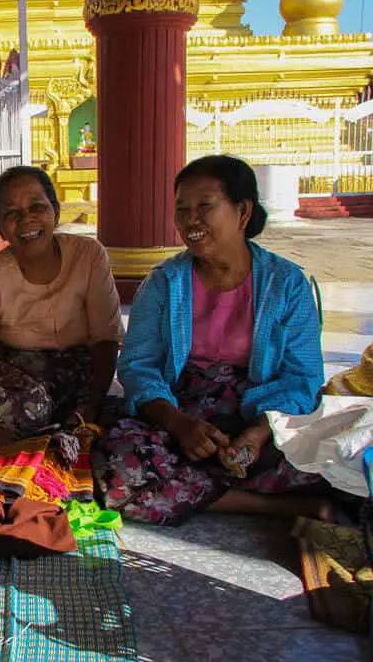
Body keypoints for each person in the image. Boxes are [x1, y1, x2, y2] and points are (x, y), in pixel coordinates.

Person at [93, 155, 329, 525]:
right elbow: (139, 366)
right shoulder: (163, 284)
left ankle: (189, 488)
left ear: (242, 211)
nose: (191, 220)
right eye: (182, 209)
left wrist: (258, 433)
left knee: (333, 457)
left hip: (260, 408)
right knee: (121, 474)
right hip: (182, 411)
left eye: (205, 206)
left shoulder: (286, 285)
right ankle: (285, 506)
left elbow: (303, 376)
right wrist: (179, 425)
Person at [0, 165, 124, 456]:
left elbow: (106, 338)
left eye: (37, 206)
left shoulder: (89, 256)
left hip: (78, 370)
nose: (27, 219)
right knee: (30, 407)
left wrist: (91, 411)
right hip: (14, 371)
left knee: (119, 419)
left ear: (55, 212)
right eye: (12, 213)